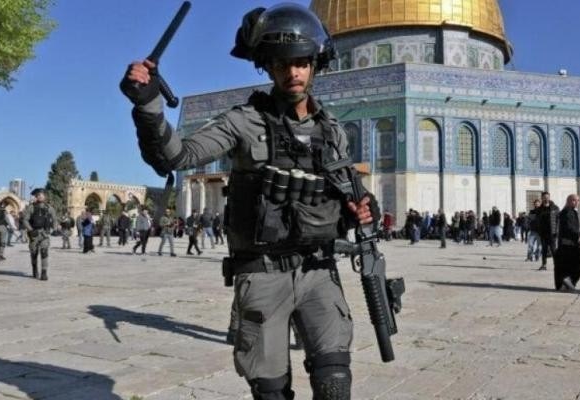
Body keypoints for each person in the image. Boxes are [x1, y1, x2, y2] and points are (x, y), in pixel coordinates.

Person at [120, 4, 380, 397]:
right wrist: (148, 104)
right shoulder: (244, 122)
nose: (293, 72)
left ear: (315, 65)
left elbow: (348, 193)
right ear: (267, 67)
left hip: (319, 272)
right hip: (263, 274)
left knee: (335, 384)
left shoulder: (332, 132)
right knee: (271, 391)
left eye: (301, 63)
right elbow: (177, 156)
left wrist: (363, 207)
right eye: (282, 64)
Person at [21, 188, 57, 280]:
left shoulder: (49, 208)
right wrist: (30, 230)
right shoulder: (31, 207)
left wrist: (54, 229)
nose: (40, 196)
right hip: (34, 234)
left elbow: (54, 219)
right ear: (36, 197)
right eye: (38, 195)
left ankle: (44, 272)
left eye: (42, 195)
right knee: (34, 253)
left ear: (45, 196)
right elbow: (25, 220)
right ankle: (35, 269)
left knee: (44, 252)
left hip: (44, 234)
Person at [553, 194, 580, 291]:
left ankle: (564, 284)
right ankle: (568, 280)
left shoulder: (570, 212)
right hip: (569, 243)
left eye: (578, 200)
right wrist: (578, 236)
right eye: (575, 200)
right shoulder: (567, 212)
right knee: (578, 261)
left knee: (567, 264)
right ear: (569, 201)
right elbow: (570, 227)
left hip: (567, 243)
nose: (577, 202)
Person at [536, 192, 559, 271]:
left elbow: (558, 220)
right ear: (542, 198)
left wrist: (557, 230)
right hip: (543, 233)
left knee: (553, 249)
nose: (546, 198)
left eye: (547, 197)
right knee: (544, 249)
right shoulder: (539, 209)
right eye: (544, 197)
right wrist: (538, 231)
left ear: (549, 197)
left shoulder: (555, 208)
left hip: (552, 232)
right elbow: (537, 221)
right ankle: (544, 265)